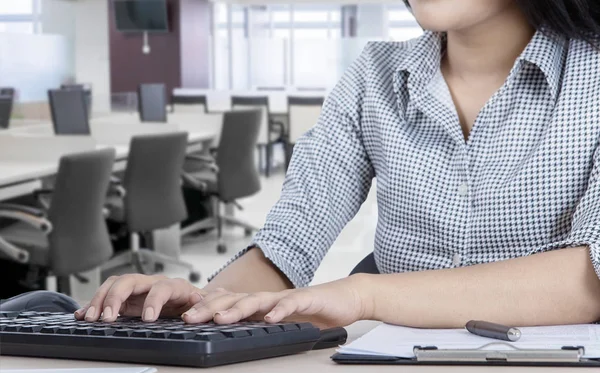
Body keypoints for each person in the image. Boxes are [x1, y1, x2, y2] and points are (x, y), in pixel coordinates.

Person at [79, 0, 600, 329]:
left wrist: (363, 294)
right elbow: (287, 245)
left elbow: (588, 280)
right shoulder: (374, 77)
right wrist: (201, 303)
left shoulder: (591, 77)